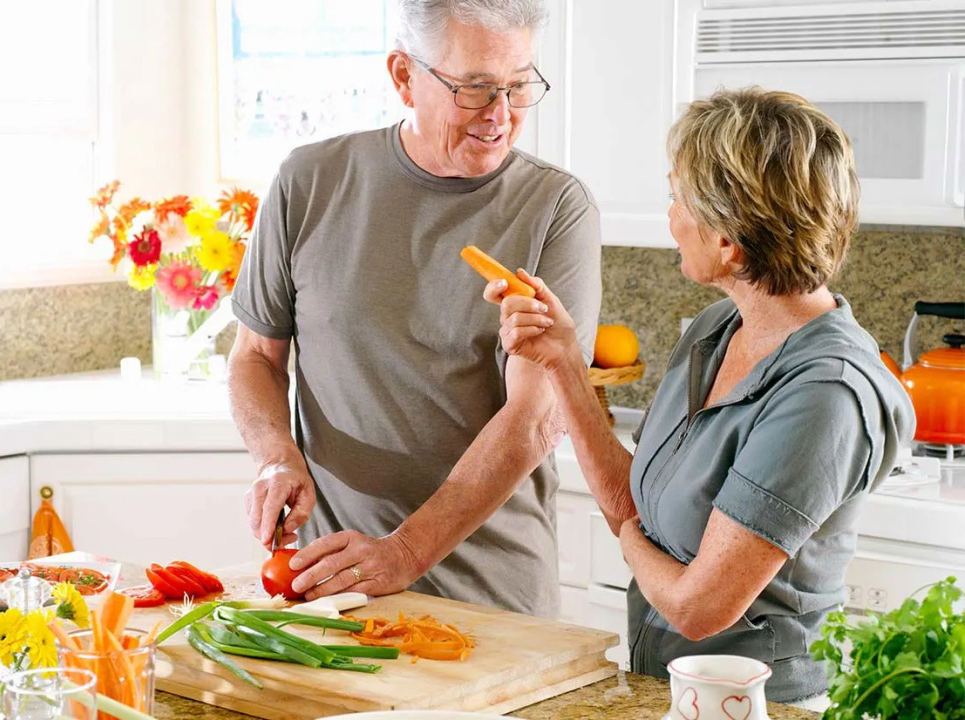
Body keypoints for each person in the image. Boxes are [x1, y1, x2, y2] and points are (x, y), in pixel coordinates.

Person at [484, 87, 915, 703]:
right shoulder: (717, 330)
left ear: (727, 240)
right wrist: (563, 359)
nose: (670, 215)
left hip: (763, 708)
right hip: (671, 695)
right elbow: (633, 501)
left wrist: (629, 536)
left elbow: (697, 607)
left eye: (678, 196)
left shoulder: (826, 392)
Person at [227, 0, 601, 618]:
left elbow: (537, 416)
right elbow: (255, 357)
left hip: (493, 599)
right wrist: (275, 455)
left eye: (518, 86)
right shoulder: (308, 182)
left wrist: (404, 552)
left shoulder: (556, 207)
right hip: (335, 588)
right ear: (404, 76)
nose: (501, 116)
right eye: (475, 89)